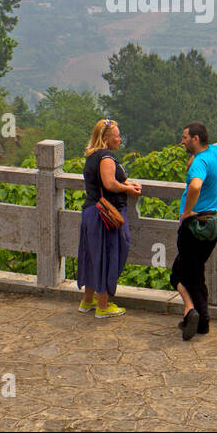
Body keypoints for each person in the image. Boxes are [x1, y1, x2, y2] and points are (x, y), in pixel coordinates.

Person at [77, 118, 142, 319]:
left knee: (92, 256)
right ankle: (103, 306)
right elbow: (110, 183)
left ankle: (88, 301)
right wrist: (128, 188)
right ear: (106, 138)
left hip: (92, 212)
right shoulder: (105, 157)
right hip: (105, 215)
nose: (119, 139)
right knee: (107, 255)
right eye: (116, 136)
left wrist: (124, 183)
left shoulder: (93, 155)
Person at [170, 122, 217, 340]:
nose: (182, 141)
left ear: (195, 139)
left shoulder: (199, 163)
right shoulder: (214, 151)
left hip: (194, 225)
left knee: (179, 274)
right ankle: (201, 322)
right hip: (213, 224)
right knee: (195, 273)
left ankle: (192, 312)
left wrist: (187, 212)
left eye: (185, 137)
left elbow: (194, 186)